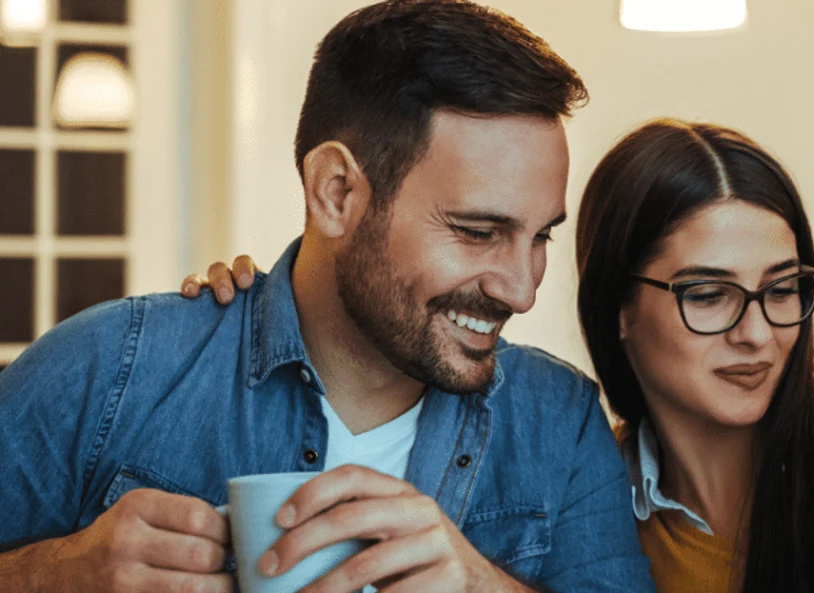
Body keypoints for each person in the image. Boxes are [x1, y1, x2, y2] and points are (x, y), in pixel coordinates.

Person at [202, 120, 814, 593]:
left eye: (784, 286)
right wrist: (262, 303)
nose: (758, 329)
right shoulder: (584, 506)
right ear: (618, 308)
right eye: (707, 293)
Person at [0, 2, 655, 593]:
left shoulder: (558, 420)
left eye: (539, 236)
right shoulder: (111, 368)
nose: (523, 288)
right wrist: (50, 573)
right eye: (478, 231)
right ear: (336, 192)